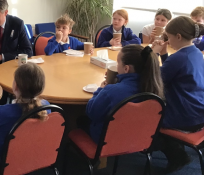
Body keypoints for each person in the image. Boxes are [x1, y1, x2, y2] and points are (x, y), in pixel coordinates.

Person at [152, 16, 204, 172]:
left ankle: (177, 156)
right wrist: (164, 55)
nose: (167, 40)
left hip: (185, 117)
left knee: (145, 120)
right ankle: (177, 150)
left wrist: (154, 54)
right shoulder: (195, 52)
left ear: (178, 36)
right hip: (198, 112)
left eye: (168, 36)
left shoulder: (179, 58)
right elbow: (172, 73)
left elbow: (154, 79)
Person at [85, 45, 163, 143]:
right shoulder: (154, 87)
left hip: (108, 140)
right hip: (138, 138)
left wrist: (100, 89)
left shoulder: (111, 91)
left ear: (126, 68)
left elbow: (92, 112)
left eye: (118, 63)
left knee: (81, 120)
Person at [0, 63, 50, 167]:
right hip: (32, 156)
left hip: (1, 161)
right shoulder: (47, 108)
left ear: (15, 85)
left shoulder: (0, 113)